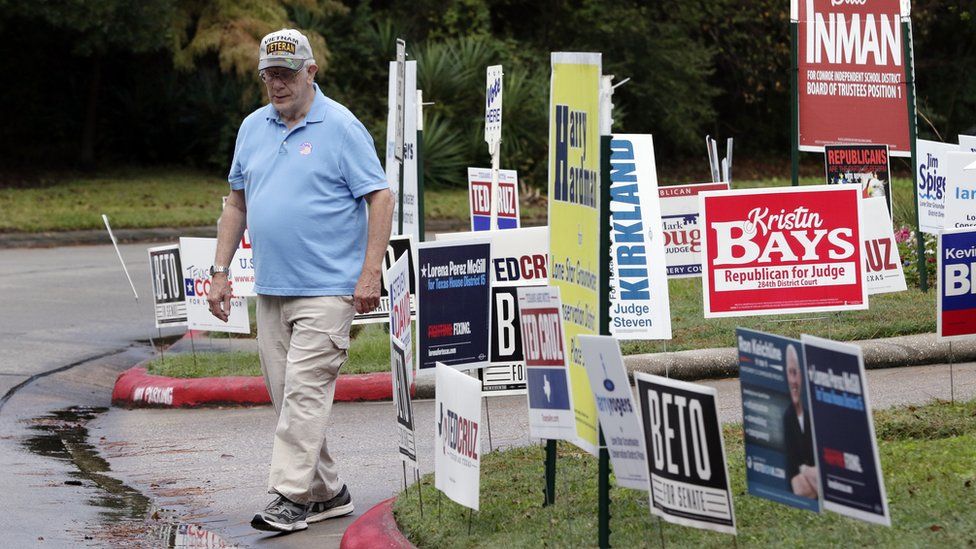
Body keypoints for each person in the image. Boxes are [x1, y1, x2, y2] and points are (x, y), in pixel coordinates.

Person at [206, 28, 393, 533]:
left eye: (287, 74)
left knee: (305, 394)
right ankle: (328, 491)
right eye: (269, 74)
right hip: (272, 289)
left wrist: (370, 271)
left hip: (330, 288)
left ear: (311, 72)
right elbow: (236, 202)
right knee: (288, 396)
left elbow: (380, 196)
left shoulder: (341, 126)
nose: (277, 84)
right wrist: (220, 273)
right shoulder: (252, 127)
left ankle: (287, 497)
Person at [782, 344, 819, 499]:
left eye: (795, 372)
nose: (793, 380)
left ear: (802, 375)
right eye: (789, 372)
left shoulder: (814, 414)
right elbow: (797, 486)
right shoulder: (786, 419)